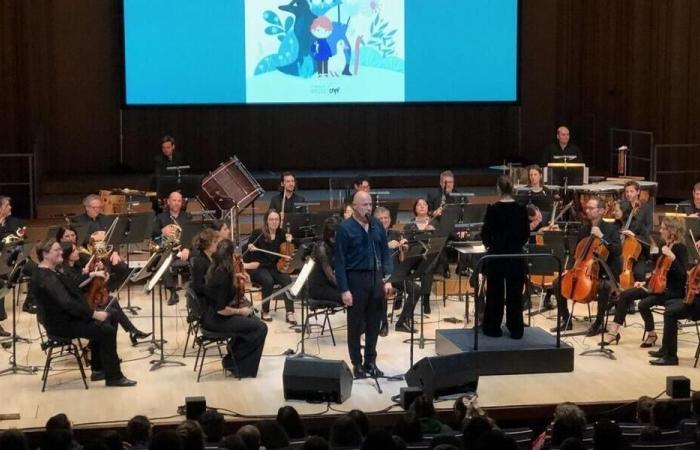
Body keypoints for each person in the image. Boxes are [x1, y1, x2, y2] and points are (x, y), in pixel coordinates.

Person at [30, 239, 136, 386]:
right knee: (106, 330)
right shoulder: (46, 277)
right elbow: (67, 303)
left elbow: (72, 288)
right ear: (45, 254)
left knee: (111, 314)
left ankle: (98, 369)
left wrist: (90, 275)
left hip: (67, 317)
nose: (62, 252)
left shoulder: (51, 271)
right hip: (61, 323)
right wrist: (93, 314)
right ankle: (114, 377)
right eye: (57, 250)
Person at [604, 217, 687, 349]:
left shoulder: (680, 248)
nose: (660, 230)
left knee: (643, 304)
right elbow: (659, 271)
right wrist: (644, 282)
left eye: (664, 228)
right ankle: (613, 332)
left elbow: (683, 276)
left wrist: (673, 258)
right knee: (625, 295)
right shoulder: (663, 246)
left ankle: (651, 334)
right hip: (657, 286)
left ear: (672, 231)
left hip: (672, 290)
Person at [335, 191, 393, 378]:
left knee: (373, 323)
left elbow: (385, 252)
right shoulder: (345, 228)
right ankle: (357, 364)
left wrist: (387, 275)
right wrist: (344, 289)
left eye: (370, 204)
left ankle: (370, 361)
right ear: (354, 206)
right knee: (356, 324)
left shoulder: (376, 225)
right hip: (355, 279)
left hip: (376, 279)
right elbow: (340, 262)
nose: (369, 208)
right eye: (365, 205)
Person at [552, 197, 622, 335]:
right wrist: (570, 268)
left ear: (601, 211)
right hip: (584, 270)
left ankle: (599, 322)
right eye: (587, 208)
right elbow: (576, 253)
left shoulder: (611, 228)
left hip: (605, 272)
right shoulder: (584, 229)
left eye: (591, 208)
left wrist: (602, 236)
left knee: (604, 286)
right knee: (557, 282)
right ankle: (566, 319)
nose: (587, 210)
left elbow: (617, 251)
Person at [58, 241, 151, 346]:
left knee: (112, 300)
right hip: (81, 304)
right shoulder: (64, 270)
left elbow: (85, 279)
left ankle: (132, 331)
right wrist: (92, 274)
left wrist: (99, 269)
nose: (77, 252)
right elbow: (77, 284)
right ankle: (101, 343)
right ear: (67, 255)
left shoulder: (77, 265)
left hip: (88, 297)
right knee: (111, 312)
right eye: (74, 250)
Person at [204, 239, 267, 377]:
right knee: (261, 328)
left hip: (210, 316)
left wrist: (236, 275)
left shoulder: (215, 267)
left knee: (253, 321)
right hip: (217, 320)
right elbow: (221, 309)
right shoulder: (224, 276)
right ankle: (234, 362)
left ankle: (235, 358)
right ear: (230, 256)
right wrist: (240, 311)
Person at [480, 175, 530, 339]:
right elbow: (525, 234)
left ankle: (493, 328)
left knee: (495, 293)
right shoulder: (521, 209)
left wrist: (491, 246)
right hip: (515, 256)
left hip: (496, 257)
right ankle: (516, 329)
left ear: (498, 189)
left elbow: (485, 234)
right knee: (515, 294)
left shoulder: (493, 209)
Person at [244, 209, 296, 324]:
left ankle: (290, 313)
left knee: (287, 279)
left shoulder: (282, 234)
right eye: (271, 219)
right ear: (266, 221)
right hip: (259, 267)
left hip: (274, 267)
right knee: (268, 281)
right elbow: (248, 249)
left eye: (276, 219)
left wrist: (289, 241)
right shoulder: (258, 233)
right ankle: (265, 311)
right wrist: (250, 246)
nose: (274, 222)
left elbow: (287, 252)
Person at [375, 206, 417, 333]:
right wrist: (386, 246)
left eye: (386, 218)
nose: (384, 220)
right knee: (381, 291)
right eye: (380, 218)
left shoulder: (395, 234)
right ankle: (383, 323)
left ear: (390, 219)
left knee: (416, 289)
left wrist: (403, 249)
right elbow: (373, 256)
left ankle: (402, 321)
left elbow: (401, 260)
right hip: (379, 275)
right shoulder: (371, 236)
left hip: (395, 274)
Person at [152, 191, 191, 305]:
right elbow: (153, 235)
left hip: (183, 249)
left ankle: (195, 288)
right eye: (174, 200)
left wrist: (187, 248)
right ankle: (173, 291)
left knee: (200, 257)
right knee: (161, 264)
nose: (177, 203)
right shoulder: (161, 217)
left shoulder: (187, 216)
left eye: (179, 201)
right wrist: (161, 231)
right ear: (168, 202)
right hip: (168, 250)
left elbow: (192, 235)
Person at [612, 180, 654, 282]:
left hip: (639, 250)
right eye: (627, 192)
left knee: (639, 273)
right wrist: (618, 219)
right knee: (613, 268)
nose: (628, 194)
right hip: (623, 246)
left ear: (638, 192)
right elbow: (616, 226)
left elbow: (648, 232)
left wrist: (634, 235)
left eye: (631, 191)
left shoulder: (646, 209)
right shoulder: (623, 206)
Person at [403, 198, 438, 314]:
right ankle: (406, 296)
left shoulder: (435, 223)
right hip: (414, 257)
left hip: (430, 256)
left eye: (424, 204)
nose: (422, 206)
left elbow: (441, 241)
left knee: (429, 265)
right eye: (419, 205)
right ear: (415, 209)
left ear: (428, 208)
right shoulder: (409, 226)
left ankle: (426, 299)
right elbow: (407, 243)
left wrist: (434, 233)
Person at [0, 196, 22, 334]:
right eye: (7, 205)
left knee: (2, 281)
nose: (10, 207)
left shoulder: (8, 222)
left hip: (5, 259)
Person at [308, 216, 343, 305]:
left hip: (330, 284)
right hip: (319, 287)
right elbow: (330, 276)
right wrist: (345, 288)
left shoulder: (336, 243)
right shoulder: (321, 248)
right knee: (350, 297)